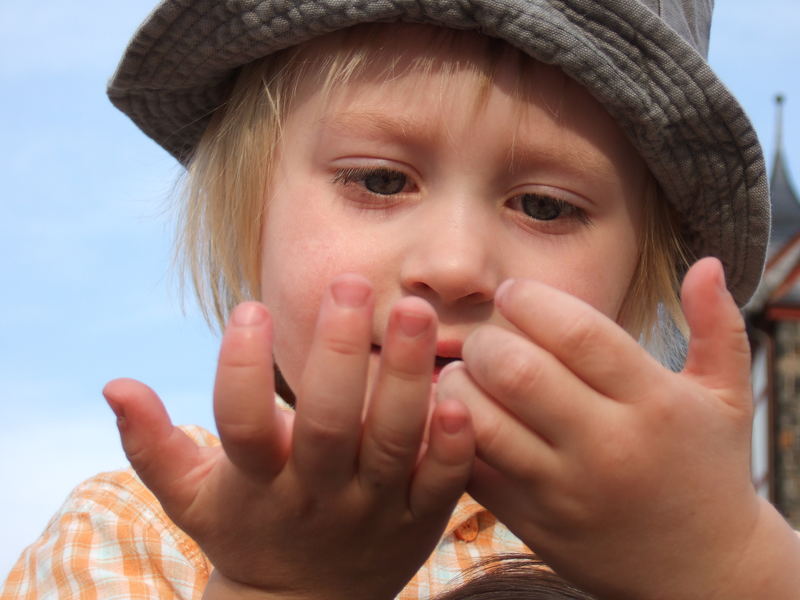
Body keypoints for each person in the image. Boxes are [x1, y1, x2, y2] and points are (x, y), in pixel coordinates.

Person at [4, 0, 800, 598]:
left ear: (640, 278)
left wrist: (730, 563)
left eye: (545, 205)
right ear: (252, 223)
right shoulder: (145, 531)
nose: (454, 266)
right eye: (380, 181)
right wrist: (275, 587)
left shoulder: (674, 538)